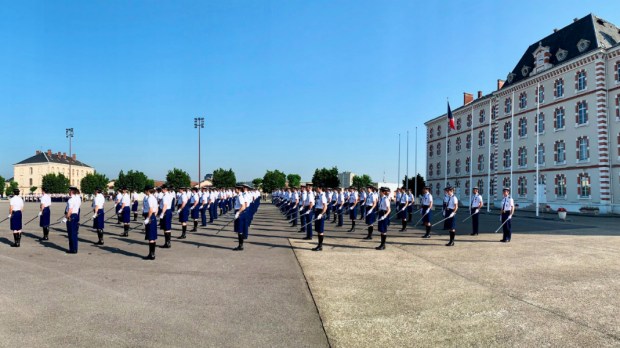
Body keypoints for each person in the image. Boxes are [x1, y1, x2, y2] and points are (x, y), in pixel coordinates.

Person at [64, 187, 82, 254]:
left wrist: (66, 217)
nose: (68, 192)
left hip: (71, 216)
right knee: (74, 234)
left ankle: (72, 249)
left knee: (71, 234)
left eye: (69, 191)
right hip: (76, 216)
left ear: (71, 191)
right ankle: (75, 248)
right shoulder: (78, 199)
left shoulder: (70, 200)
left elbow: (70, 210)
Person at [144, 187, 159, 260]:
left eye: (145, 190)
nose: (145, 192)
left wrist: (148, 218)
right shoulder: (154, 198)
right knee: (153, 236)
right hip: (153, 216)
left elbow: (150, 209)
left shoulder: (150, 198)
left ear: (147, 191)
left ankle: (151, 254)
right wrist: (153, 216)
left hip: (150, 216)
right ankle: (152, 254)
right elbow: (156, 209)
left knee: (151, 236)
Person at [312, 187, 328, 251]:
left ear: (320, 188)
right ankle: (319, 245)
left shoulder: (323, 196)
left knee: (320, 230)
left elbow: (325, 207)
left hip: (321, 212)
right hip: (317, 211)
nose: (316, 189)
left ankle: (320, 246)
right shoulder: (318, 195)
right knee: (318, 230)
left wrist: (321, 214)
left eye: (317, 188)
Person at [233, 184, 247, 251]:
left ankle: (240, 246)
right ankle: (240, 245)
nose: (234, 190)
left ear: (238, 189)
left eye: (235, 189)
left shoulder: (240, 196)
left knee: (240, 230)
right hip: (239, 212)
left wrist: (238, 213)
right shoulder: (239, 196)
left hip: (240, 214)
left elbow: (243, 206)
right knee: (239, 230)